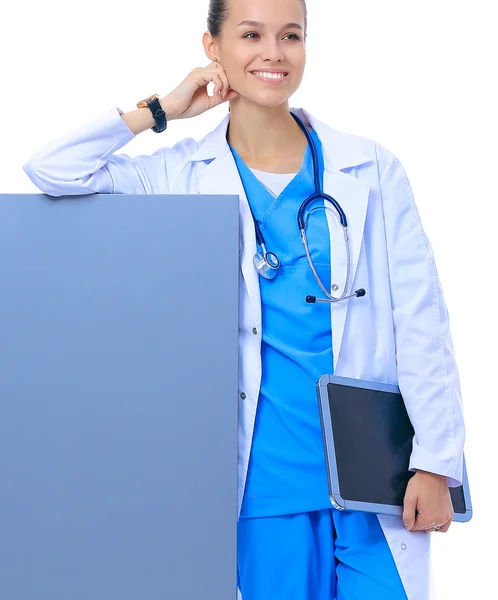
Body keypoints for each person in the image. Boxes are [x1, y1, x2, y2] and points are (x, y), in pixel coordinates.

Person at [23, 0, 466, 598]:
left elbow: (421, 318)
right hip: (262, 487)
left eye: (291, 35)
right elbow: (53, 171)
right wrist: (160, 111)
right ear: (212, 46)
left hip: (376, 480)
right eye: (250, 34)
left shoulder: (371, 169)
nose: (274, 54)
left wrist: (438, 460)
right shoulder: (178, 174)